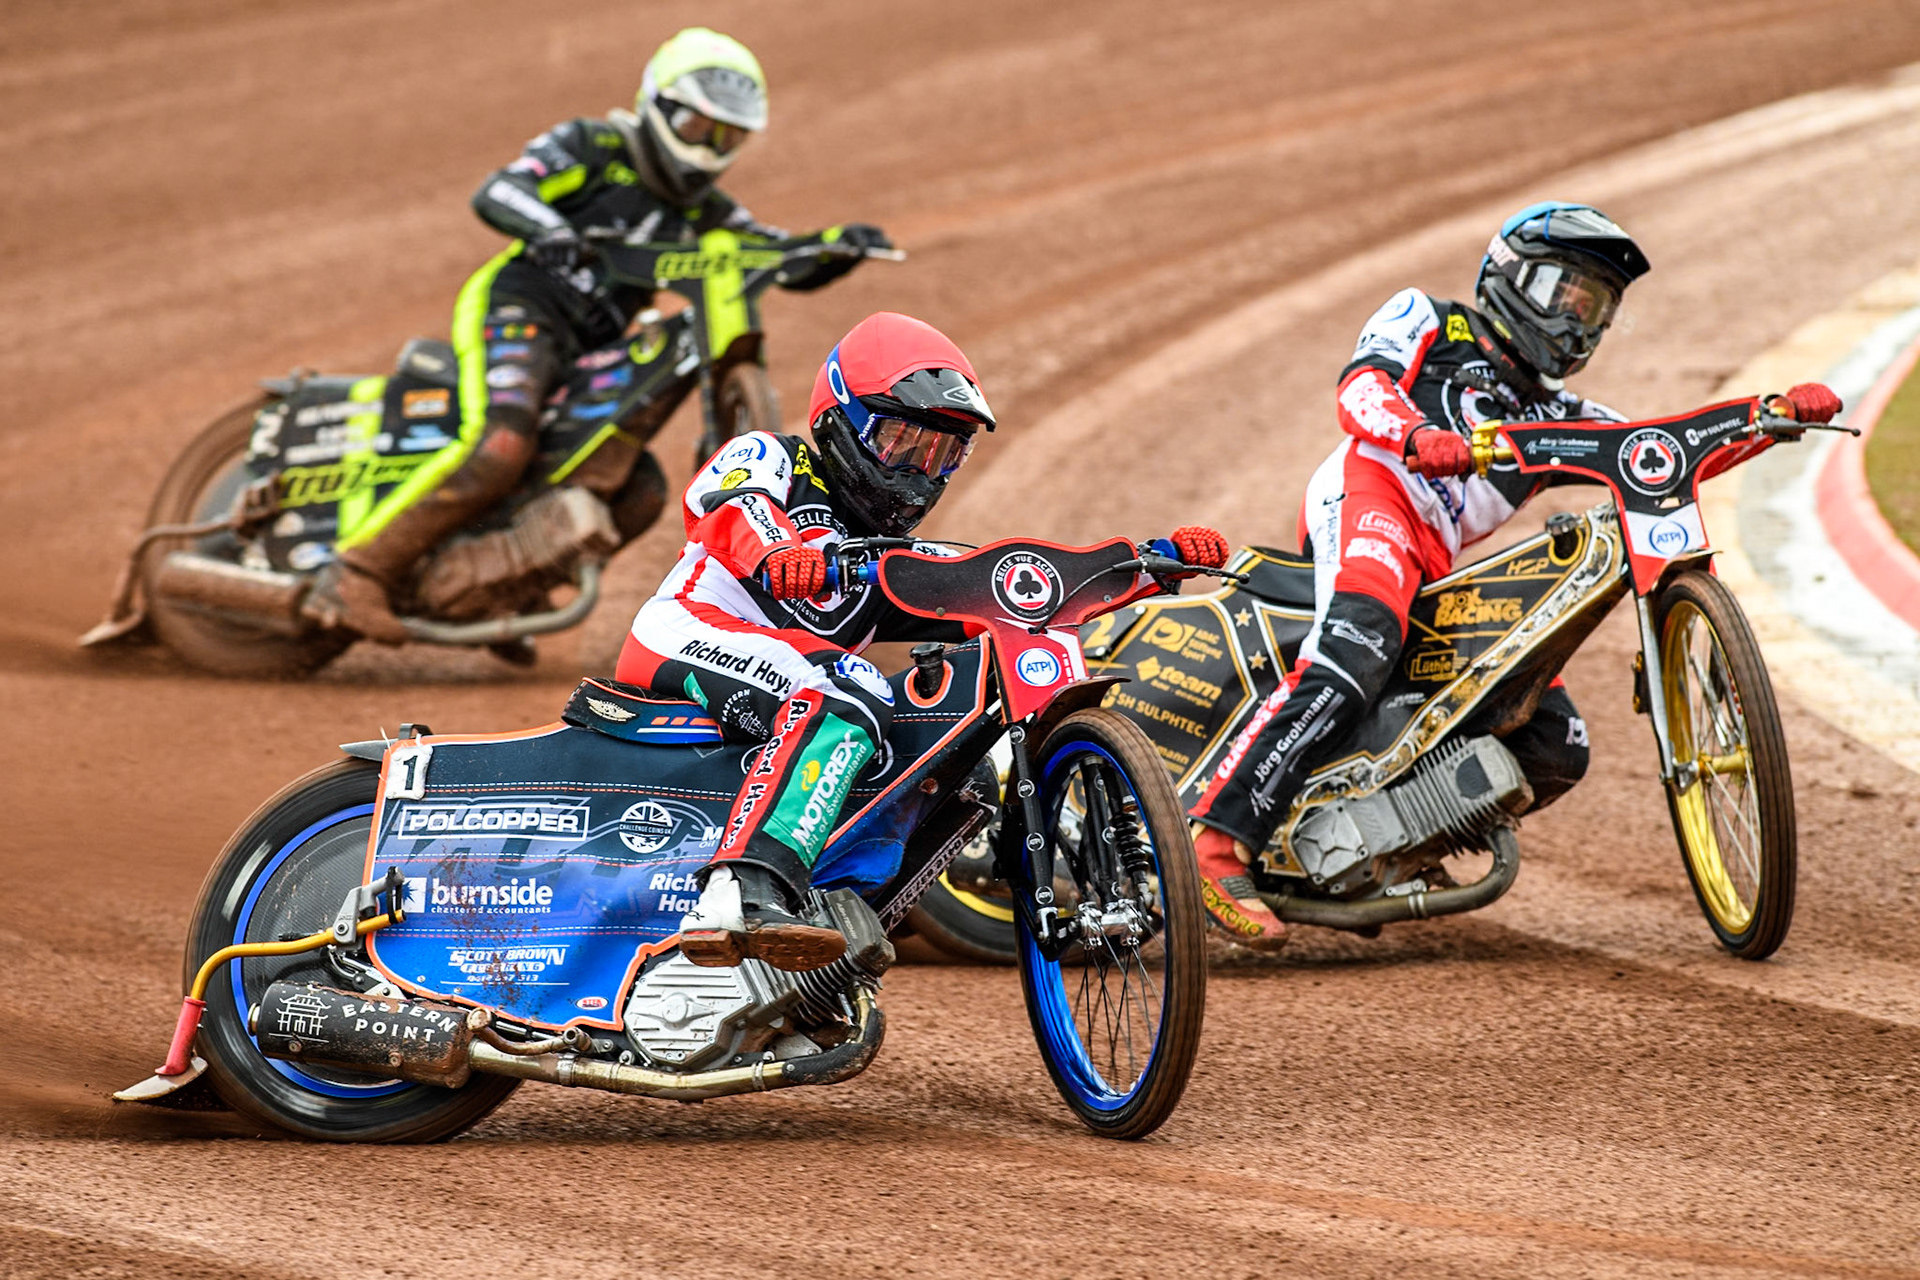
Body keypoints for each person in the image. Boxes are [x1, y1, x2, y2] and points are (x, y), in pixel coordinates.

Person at [1187, 200, 1842, 951]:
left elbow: (1654, 449)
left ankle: (1384, 840)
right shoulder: (1426, 317)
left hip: (1432, 558)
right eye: (1568, 294)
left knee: (1555, 742)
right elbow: (1359, 391)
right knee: (1361, 641)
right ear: (1512, 277)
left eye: (1597, 307)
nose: (1580, 321)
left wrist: (1768, 417)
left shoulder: (1561, 412)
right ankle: (1217, 841)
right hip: (1372, 497)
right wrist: (1417, 434)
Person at [614, 311, 1230, 971]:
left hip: (787, 681)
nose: (919, 473)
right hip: (687, 631)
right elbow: (732, 506)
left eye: (943, 453)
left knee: (941, 759)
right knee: (849, 695)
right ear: (840, 422)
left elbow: (1020, 588)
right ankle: (739, 893)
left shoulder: (894, 562)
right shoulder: (774, 456)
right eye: (902, 443)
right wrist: (779, 552)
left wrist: (1148, 566)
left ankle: (841, 906)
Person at [307, 26, 891, 641]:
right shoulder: (596, 144)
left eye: (729, 134)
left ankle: (489, 594)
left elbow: (767, 252)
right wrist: (550, 229)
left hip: (594, 347)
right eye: (700, 126)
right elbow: (501, 188)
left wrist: (835, 246)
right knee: (501, 443)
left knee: (638, 489)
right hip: (521, 305)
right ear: (660, 106)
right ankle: (355, 572)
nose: (711, 145)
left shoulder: (706, 212)